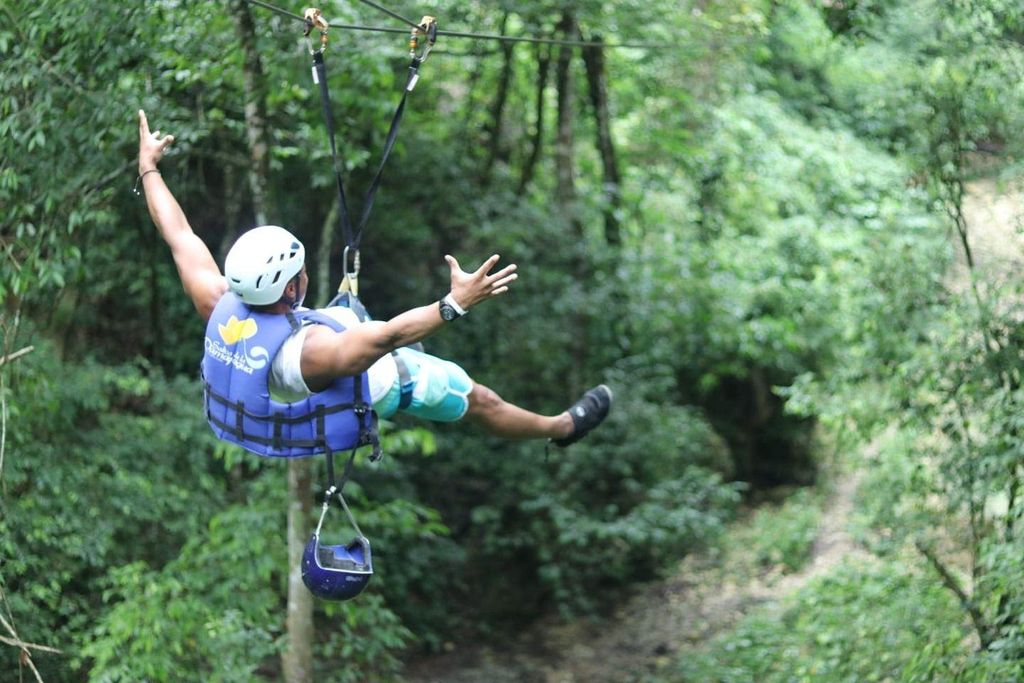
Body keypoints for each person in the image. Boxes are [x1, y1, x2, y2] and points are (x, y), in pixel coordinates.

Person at [136, 110, 612, 451]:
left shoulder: (218, 299)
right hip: (383, 384)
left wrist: (149, 167)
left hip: (316, 343)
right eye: (299, 271)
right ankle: (560, 428)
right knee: (477, 399)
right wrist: (456, 302)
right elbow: (387, 337)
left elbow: (179, 235)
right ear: (290, 288)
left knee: (356, 319)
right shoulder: (317, 354)